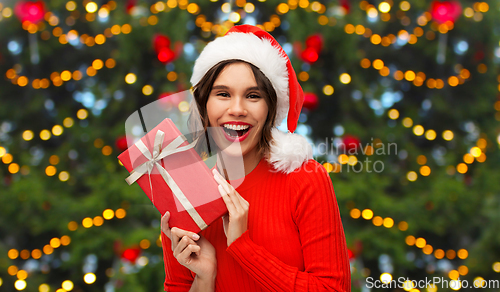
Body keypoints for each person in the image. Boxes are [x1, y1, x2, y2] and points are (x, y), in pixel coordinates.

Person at [160, 25, 350, 292]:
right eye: (223, 94)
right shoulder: (182, 193)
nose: (237, 109)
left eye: (253, 96)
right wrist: (204, 277)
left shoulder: (305, 178)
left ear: (271, 109)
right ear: (203, 105)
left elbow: (333, 289)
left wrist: (243, 248)